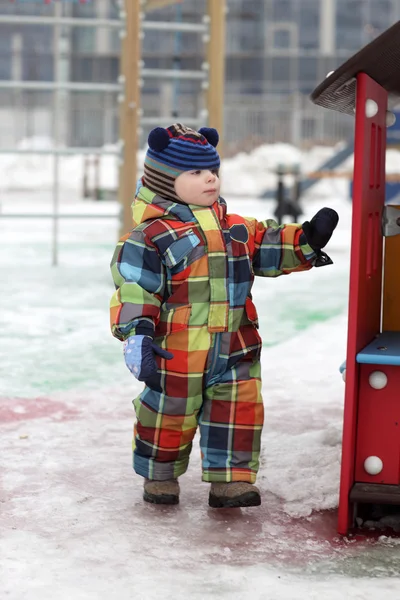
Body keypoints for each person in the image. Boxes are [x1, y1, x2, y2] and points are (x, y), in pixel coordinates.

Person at [110, 123, 338, 508]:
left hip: (236, 343)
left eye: (213, 171)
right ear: (166, 179)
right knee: (168, 414)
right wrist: (138, 334)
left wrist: (306, 240)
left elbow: (266, 243)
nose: (210, 179)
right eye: (196, 173)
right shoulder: (149, 236)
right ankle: (160, 476)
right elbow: (135, 287)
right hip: (178, 350)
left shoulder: (236, 227)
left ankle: (231, 481)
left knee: (238, 410)